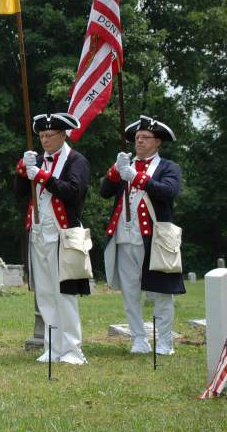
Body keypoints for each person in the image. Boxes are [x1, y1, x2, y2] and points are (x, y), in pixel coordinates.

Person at [101, 115, 184, 355]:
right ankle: (139, 339)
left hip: (155, 241)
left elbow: (168, 192)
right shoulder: (125, 164)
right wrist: (116, 172)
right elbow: (104, 191)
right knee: (130, 293)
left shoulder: (168, 167)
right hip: (124, 237)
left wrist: (136, 178)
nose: (140, 141)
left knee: (161, 293)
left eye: (145, 138)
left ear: (158, 142)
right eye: (137, 138)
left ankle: (164, 342)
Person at [15, 113, 90, 364]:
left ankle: (71, 349)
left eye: (50, 136)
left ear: (63, 135)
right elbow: (19, 194)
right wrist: (22, 171)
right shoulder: (36, 160)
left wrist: (42, 176)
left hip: (63, 234)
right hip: (37, 232)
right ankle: (52, 346)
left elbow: (74, 192)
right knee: (45, 294)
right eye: (42, 136)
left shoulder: (76, 160)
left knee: (64, 295)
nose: (45, 140)